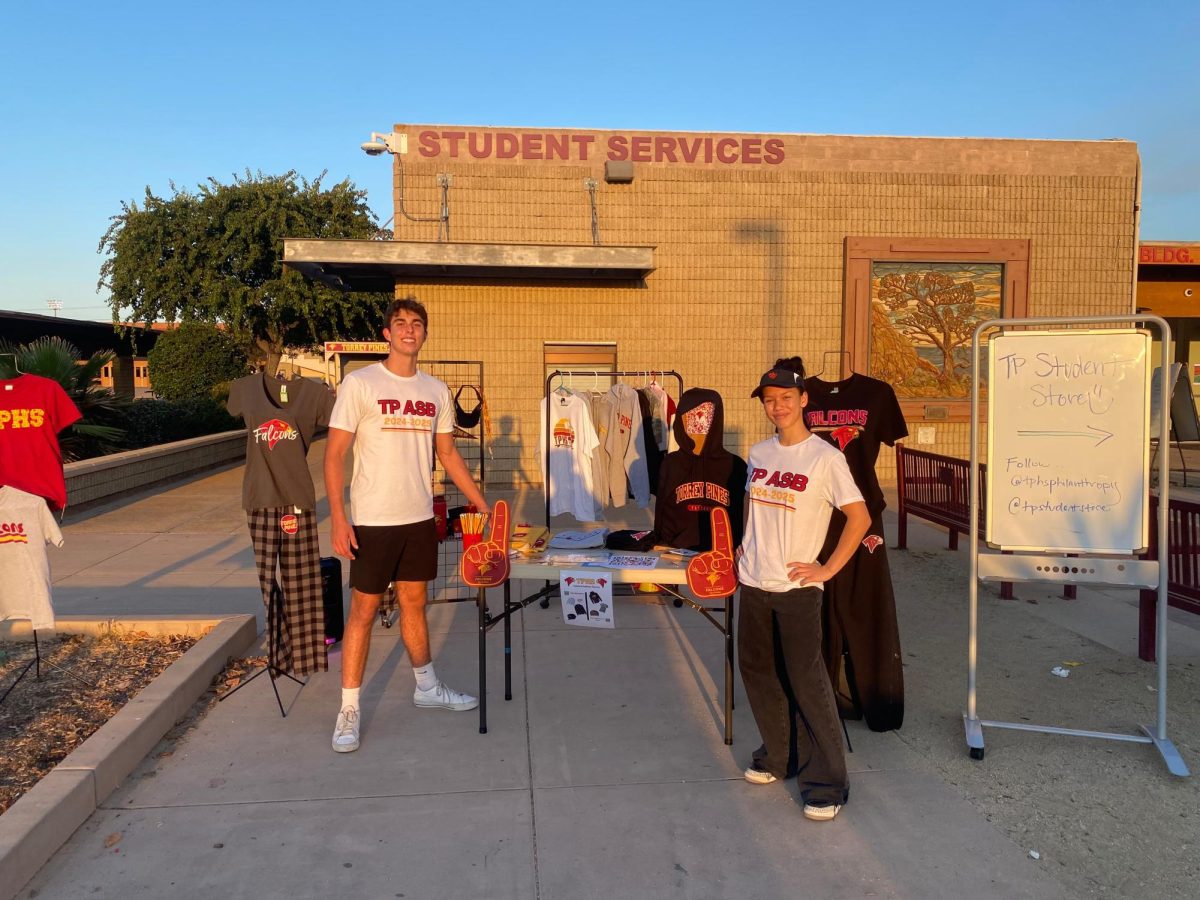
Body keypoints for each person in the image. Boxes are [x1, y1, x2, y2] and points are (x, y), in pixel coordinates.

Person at [324, 297, 489, 753]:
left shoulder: (436, 391)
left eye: (417, 324)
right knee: (362, 611)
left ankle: (427, 687)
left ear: (425, 334)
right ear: (387, 333)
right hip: (373, 520)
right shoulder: (359, 384)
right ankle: (349, 708)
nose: (409, 331)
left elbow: (449, 455)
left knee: (415, 603)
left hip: (419, 517)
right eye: (400, 324)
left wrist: (482, 503)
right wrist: (339, 517)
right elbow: (334, 454)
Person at [737, 357, 870, 821]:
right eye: (770, 401)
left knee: (808, 683)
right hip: (753, 582)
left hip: (796, 590)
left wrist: (827, 569)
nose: (778, 407)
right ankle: (779, 756)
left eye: (786, 399)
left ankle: (827, 782)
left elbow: (860, 517)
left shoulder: (826, 458)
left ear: (804, 400)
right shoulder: (758, 454)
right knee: (758, 672)